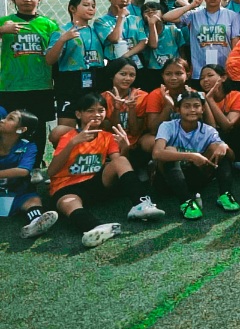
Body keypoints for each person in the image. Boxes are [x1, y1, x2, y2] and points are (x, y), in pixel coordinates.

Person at [46, 94, 165, 248]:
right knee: (68, 203)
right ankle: (95, 228)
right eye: (90, 111)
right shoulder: (69, 137)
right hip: (67, 187)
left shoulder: (106, 136)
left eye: (101, 110)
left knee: (121, 161)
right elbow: (51, 172)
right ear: (78, 114)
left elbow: (118, 162)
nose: (96, 114)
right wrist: (72, 143)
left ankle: (141, 204)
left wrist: (125, 148)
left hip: (95, 184)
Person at [152, 91, 240, 220]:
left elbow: (232, 157)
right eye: (187, 106)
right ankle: (186, 201)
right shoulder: (167, 126)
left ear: (202, 109)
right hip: (168, 181)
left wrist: (224, 146)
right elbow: (157, 153)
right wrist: (191, 156)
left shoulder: (208, 130)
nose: (192, 110)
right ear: (178, 110)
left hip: (197, 177)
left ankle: (225, 194)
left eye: (196, 106)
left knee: (217, 148)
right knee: (169, 150)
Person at [0, 0, 59, 165]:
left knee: (37, 127)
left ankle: (34, 165)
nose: (27, 0)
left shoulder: (49, 25)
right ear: (13, 0)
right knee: (10, 127)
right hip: (11, 86)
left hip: (40, 85)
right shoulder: (5, 21)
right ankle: (9, 165)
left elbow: (55, 53)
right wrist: (2, 31)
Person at [46, 0, 103, 132]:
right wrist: (62, 40)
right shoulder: (61, 31)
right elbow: (49, 60)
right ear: (72, 8)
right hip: (70, 82)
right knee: (66, 129)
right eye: (86, 5)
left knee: (93, 126)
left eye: (93, 6)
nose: (91, 8)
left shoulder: (96, 31)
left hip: (94, 80)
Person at [0, 109, 58, 239]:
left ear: (21, 129)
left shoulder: (29, 146)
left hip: (18, 192)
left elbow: (23, 171)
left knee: (33, 200)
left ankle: (36, 223)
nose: (2, 120)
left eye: (10, 119)